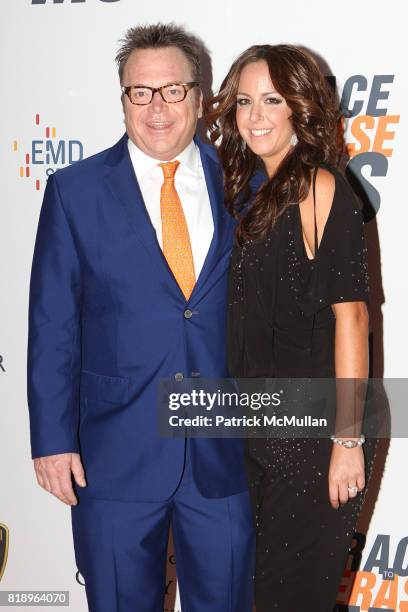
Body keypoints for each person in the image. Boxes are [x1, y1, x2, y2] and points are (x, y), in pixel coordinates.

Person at [27, 23, 255, 612]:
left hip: (225, 453)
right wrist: (52, 440)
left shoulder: (247, 184)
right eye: (140, 92)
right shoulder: (74, 192)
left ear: (200, 98)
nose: (158, 108)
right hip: (113, 453)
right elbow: (53, 326)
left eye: (173, 91)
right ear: (123, 99)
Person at [206, 44, 376, 611]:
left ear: (299, 107)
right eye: (245, 101)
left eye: (272, 100)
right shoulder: (250, 190)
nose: (255, 116)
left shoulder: (321, 188)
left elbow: (352, 317)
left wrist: (347, 440)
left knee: (289, 597)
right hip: (258, 425)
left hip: (314, 430)